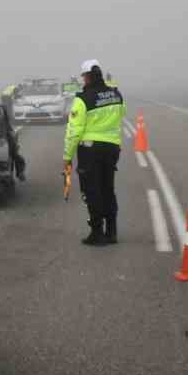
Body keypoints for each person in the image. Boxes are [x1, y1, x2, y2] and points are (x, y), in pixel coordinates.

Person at [63, 60, 124, 246]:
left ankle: (97, 233)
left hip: (90, 150)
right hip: (112, 148)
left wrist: (67, 157)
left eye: (83, 77)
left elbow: (74, 131)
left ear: (87, 76)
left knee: (92, 191)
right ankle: (111, 232)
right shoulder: (116, 94)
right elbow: (122, 115)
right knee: (108, 189)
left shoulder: (83, 99)